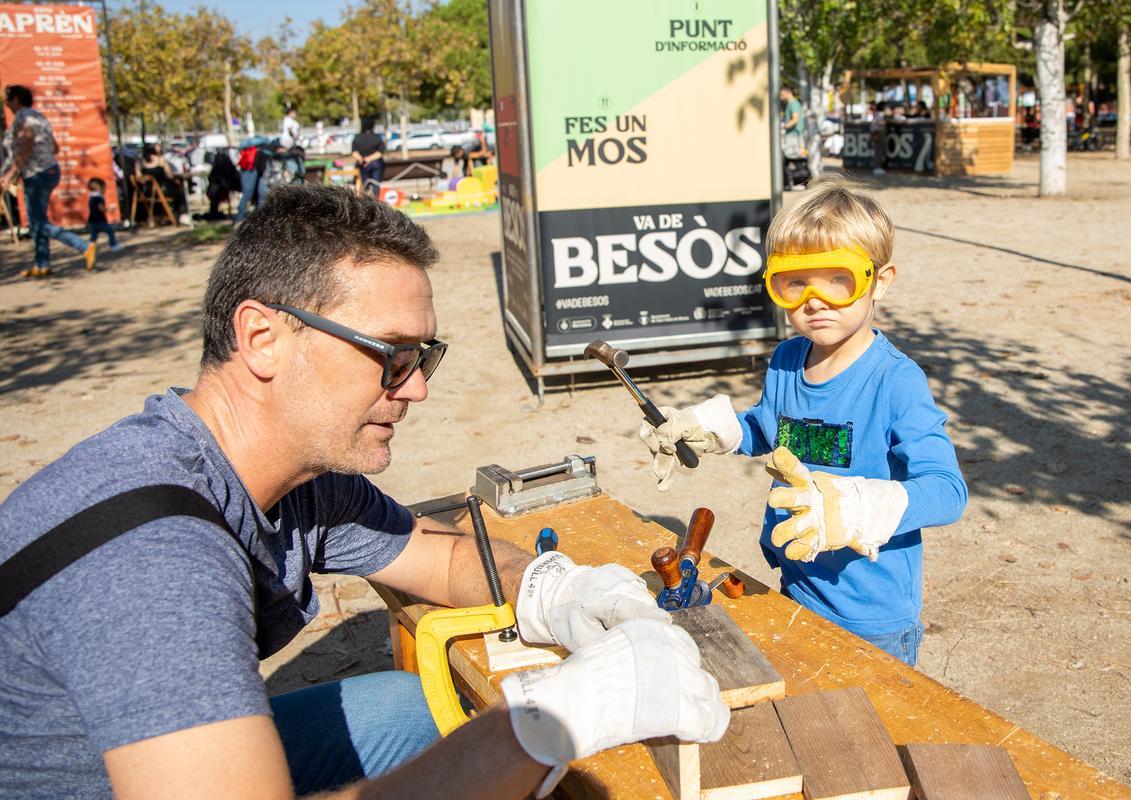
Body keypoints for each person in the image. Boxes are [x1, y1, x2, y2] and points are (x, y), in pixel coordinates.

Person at [0, 184, 728, 800]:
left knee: (418, 707)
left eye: (424, 356)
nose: (414, 387)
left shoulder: (292, 475)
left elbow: (439, 560)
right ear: (261, 338)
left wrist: (555, 589)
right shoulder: (153, 559)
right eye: (391, 355)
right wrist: (549, 722)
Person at [639, 176, 968, 667]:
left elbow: (947, 490)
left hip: (871, 613)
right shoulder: (787, 359)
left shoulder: (895, 382)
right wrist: (717, 430)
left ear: (880, 280)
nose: (815, 301)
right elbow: (771, 432)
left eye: (838, 279)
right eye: (795, 282)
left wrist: (860, 509)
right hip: (796, 583)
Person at [0, 84, 95, 278]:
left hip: (37, 174)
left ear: (17, 99)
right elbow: (55, 148)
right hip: (47, 171)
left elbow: (25, 146)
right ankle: (41, 264)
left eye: (7, 99)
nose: (6, 103)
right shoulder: (38, 117)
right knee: (38, 219)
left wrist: (11, 173)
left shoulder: (24, 118)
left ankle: (83, 245)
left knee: (37, 223)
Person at [136, 142, 189, 224]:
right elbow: (170, 175)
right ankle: (182, 215)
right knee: (180, 193)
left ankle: (163, 216)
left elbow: (139, 178)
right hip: (163, 189)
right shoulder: (160, 160)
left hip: (147, 191)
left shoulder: (139, 162)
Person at [779, 85, 807, 190]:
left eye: (781, 95)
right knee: (793, 160)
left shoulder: (793, 104)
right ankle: (793, 183)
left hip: (793, 136)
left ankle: (799, 183)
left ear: (787, 92)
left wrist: (783, 126)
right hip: (794, 136)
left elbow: (795, 119)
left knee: (794, 159)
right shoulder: (792, 104)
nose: (780, 98)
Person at [351, 116, 385, 197]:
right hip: (376, 164)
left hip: (362, 165)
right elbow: (381, 152)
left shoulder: (357, 137)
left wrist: (363, 160)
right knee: (375, 185)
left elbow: (354, 152)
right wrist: (369, 159)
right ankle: (376, 202)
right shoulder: (377, 137)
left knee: (364, 187)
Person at [86, 177, 121, 254]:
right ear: (99, 188)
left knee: (93, 237)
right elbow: (100, 208)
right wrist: (109, 210)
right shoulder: (99, 198)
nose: (104, 190)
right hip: (99, 221)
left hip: (91, 221)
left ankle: (88, 248)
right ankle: (113, 245)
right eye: (104, 188)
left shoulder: (91, 197)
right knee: (110, 230)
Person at [869, 102, 888, 176]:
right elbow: (880, 123)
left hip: (877, 134)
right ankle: (877, 168)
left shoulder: (877, 114)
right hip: (879, 134)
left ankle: (878, 167)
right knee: (878, 151)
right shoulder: (881, 114)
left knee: (878, 151)